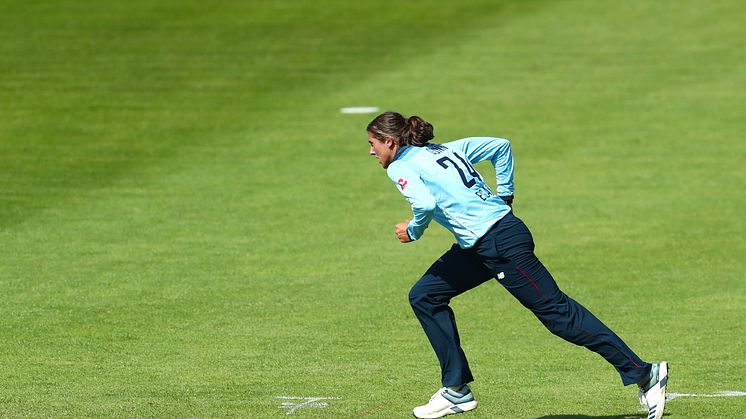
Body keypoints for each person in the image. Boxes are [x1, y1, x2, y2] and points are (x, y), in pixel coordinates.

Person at [366, 111, 668, 419]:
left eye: (373, 143)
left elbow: (424, 204)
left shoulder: (401, 166)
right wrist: (505, 194)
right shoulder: (445, 149)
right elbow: (501, 146)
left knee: (558, 314)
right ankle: (456, 389)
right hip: (484, 242)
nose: (371, 151)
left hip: (500, 246)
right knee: (425, 295)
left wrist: (413, 231)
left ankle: (645, 373)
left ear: (389, 141)